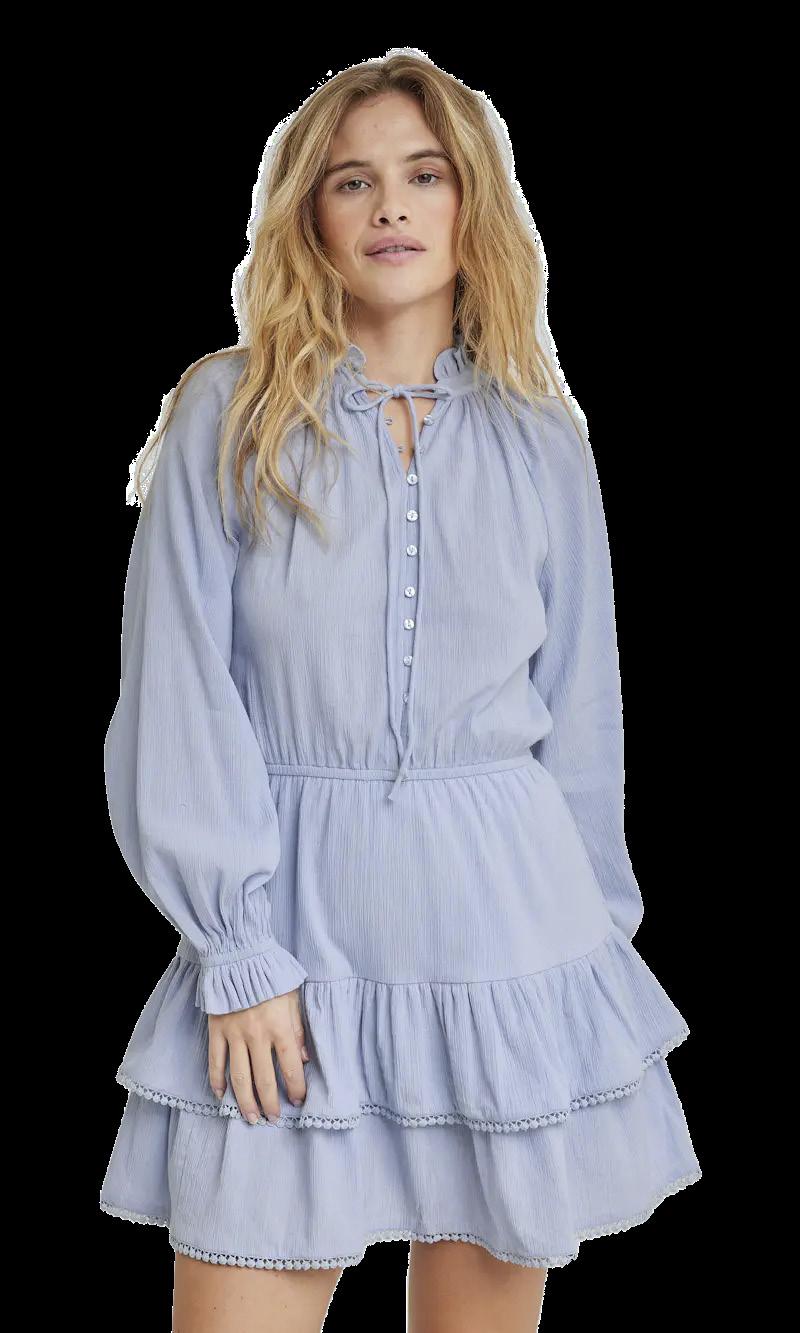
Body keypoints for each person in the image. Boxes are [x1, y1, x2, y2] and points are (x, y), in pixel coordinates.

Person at [99, 48, 702, 1333]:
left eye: (424, 176)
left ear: (470, 203)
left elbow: (580, 725)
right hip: (292, 931)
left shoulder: (543, 438)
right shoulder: (228, 414)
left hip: (510, 938)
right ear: (308, 218)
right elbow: (175, 697)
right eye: (351, 181)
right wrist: (236, 949)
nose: (389, 206)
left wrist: (593, 954)